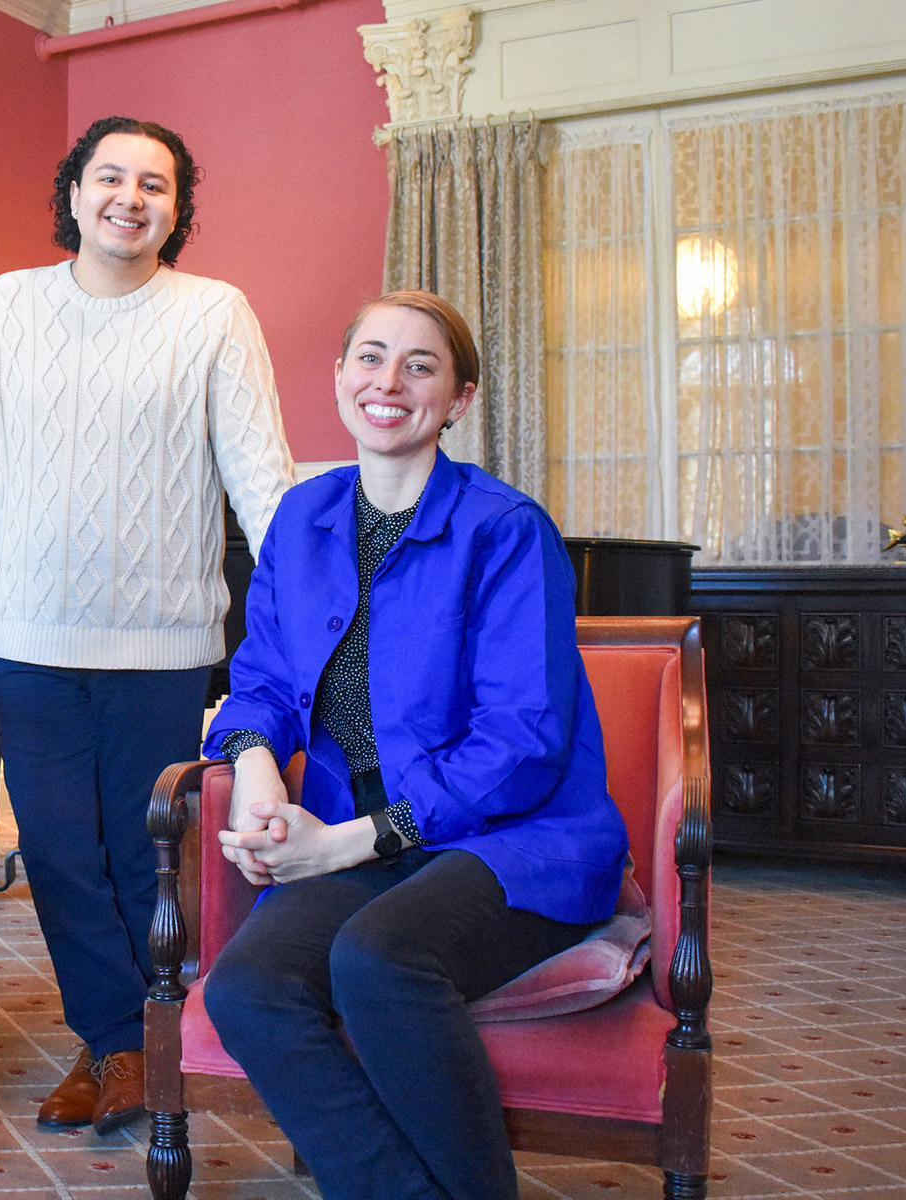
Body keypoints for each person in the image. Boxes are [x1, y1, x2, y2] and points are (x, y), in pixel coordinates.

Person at [0, 116, 294, 1134]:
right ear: (71, 194)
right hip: (28, 639)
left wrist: (318, 608)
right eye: (107, 176)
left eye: (153, 184)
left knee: (139, 853)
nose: (129, 196)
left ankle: (144, 1033)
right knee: (63, 856)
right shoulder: (2, 306)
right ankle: (119, 1043)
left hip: (161, 646)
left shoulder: (213, 312)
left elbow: (263, 484)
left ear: (176, 209)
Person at [201, 291, 629, 1200]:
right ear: (339, 377)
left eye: (420, 365)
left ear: (460, 398)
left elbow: (521, 744)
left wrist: (346, 843)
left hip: (513, 840)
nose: (387, 382)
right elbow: (265, 680)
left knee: (380, 959)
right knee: (247, 989)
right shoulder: (300, 518)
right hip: (360, 835)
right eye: (369, 357)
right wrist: (250, 769)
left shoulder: (507, 530)